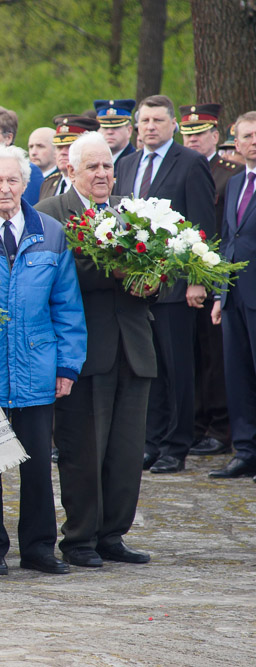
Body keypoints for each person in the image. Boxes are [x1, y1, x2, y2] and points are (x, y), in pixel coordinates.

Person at [0, 144, 86, 576]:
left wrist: (67, 366)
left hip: (37, 364)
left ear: (26, 183)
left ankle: (38, 548)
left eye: (12, 179)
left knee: (35, 466)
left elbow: (66, 307)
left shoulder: (50, 231)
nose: (4, 188)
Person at [36, 131, 156, 567]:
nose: (103, 174)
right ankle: (80, 538)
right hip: (84, 350)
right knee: (83, 449)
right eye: (93, 167)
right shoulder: (51, 214)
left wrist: (155, 277)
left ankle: (113, 535)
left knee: (126, 451)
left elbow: (151, 274)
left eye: (108, 166)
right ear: (70, 170)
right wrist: (124, 269)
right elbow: (54, 280)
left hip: (134, 346)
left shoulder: (133, 213)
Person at [114, 95, 216, 475]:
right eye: (145, 121)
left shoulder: (190, 163)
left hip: (175, 285)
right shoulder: (125, 164)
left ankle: (176, 445)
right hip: (137, 285)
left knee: (177, 368)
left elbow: (204, 225)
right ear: (136, 126)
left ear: (173, 124)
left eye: (158, 120)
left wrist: (197, 281)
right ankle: (151, 441)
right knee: (146, 367)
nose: (151, 127)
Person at [180, 103, 241, 457]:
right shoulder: (182, 167)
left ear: (215, 137)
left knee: (214, 354)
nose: (193, 140)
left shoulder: (227, 172)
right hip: (188, 270)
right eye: (187, 134)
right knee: (195, 354)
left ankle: (220, 427)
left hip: (216, 272)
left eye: (199, 134)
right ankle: (198, 423)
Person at [211, 111, 256, 480]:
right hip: (234, 295)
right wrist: (217, 294)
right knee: (238, 375)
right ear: (236, 144)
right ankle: (245, 450)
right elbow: (229, 239)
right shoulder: (236, 182)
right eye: (247, 136)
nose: (253, 141)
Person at [39, 115, 100, 200]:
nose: (63, 152)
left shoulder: (96, 185)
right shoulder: (48, 184)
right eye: (59, 147)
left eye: (70, 147)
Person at [94, 99, 137, 165]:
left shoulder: (137, 161)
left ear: (129, 131)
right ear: (98, 130)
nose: (110, 132)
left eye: (116, 127)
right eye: (105, 127)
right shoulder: (93, 160)